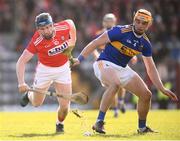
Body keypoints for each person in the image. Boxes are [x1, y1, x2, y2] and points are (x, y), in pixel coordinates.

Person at [73, 9, 178, 134]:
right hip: (104, 62)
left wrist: (161, 88)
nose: (139, 25)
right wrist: (79, 59)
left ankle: (142, 128)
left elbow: (150, 67)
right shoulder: (120, 31)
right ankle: (99, 122)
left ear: (149, 24)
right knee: (115, 84)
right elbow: (95, 43)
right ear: (134, 19)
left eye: (143, 23)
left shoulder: (145, 43)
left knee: (146, 95)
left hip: (122, 68)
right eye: (137, 21)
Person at [16, 12, 76, 134]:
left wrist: (72, 43)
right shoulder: (36, 41)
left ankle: (60, 124)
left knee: (64, 107)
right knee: (37, 103)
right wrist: (21, 83)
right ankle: (29, 95)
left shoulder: (63, 27)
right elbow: (21, 62)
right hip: (45, 71)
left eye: (48, 27)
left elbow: (71, 24)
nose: (47, 31)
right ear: (38, 30)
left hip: (63, 69)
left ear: (53, 25)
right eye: (42, 29)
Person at [93, 13, 137, 117]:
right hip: (105, 62)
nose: (109, 22)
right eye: (107, 20)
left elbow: (126, 46)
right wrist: (97, 56)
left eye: (111, 20)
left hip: (118, 61)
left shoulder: (118, 32)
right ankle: (116, 108)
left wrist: (132, 56)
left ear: (114, 22)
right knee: (112, 86)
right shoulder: (99, 34)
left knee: (120, 84)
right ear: (103, 22)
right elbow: (93, 47)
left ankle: (120, 102)